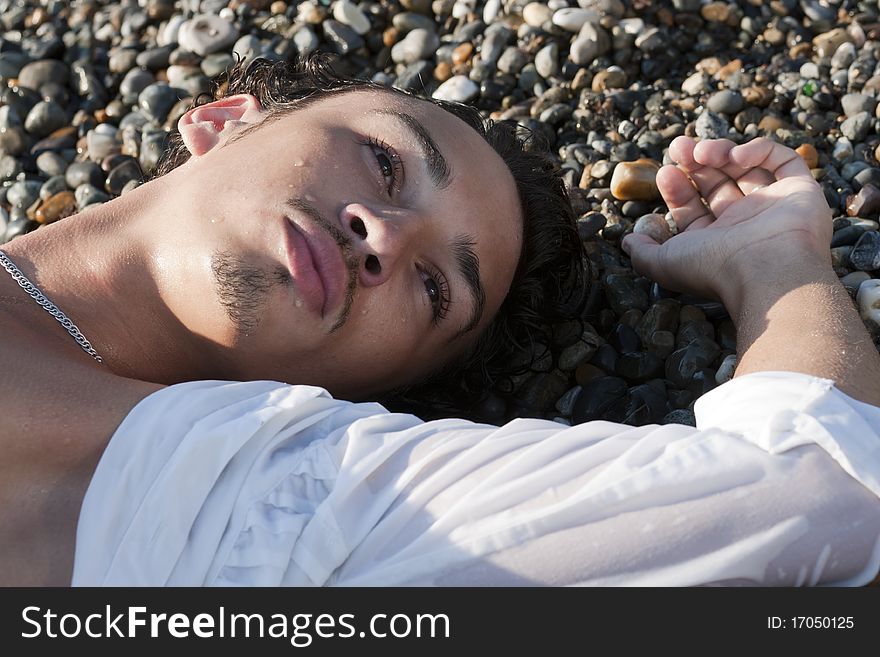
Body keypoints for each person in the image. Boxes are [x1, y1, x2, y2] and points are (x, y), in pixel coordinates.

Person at [1, 56, 879, 586]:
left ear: (374, 393)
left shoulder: (268, 496)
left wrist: (777, 259)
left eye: (432, 292)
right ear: (227, 120)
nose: (384, 237)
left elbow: (825, 488)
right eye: (383, 163)